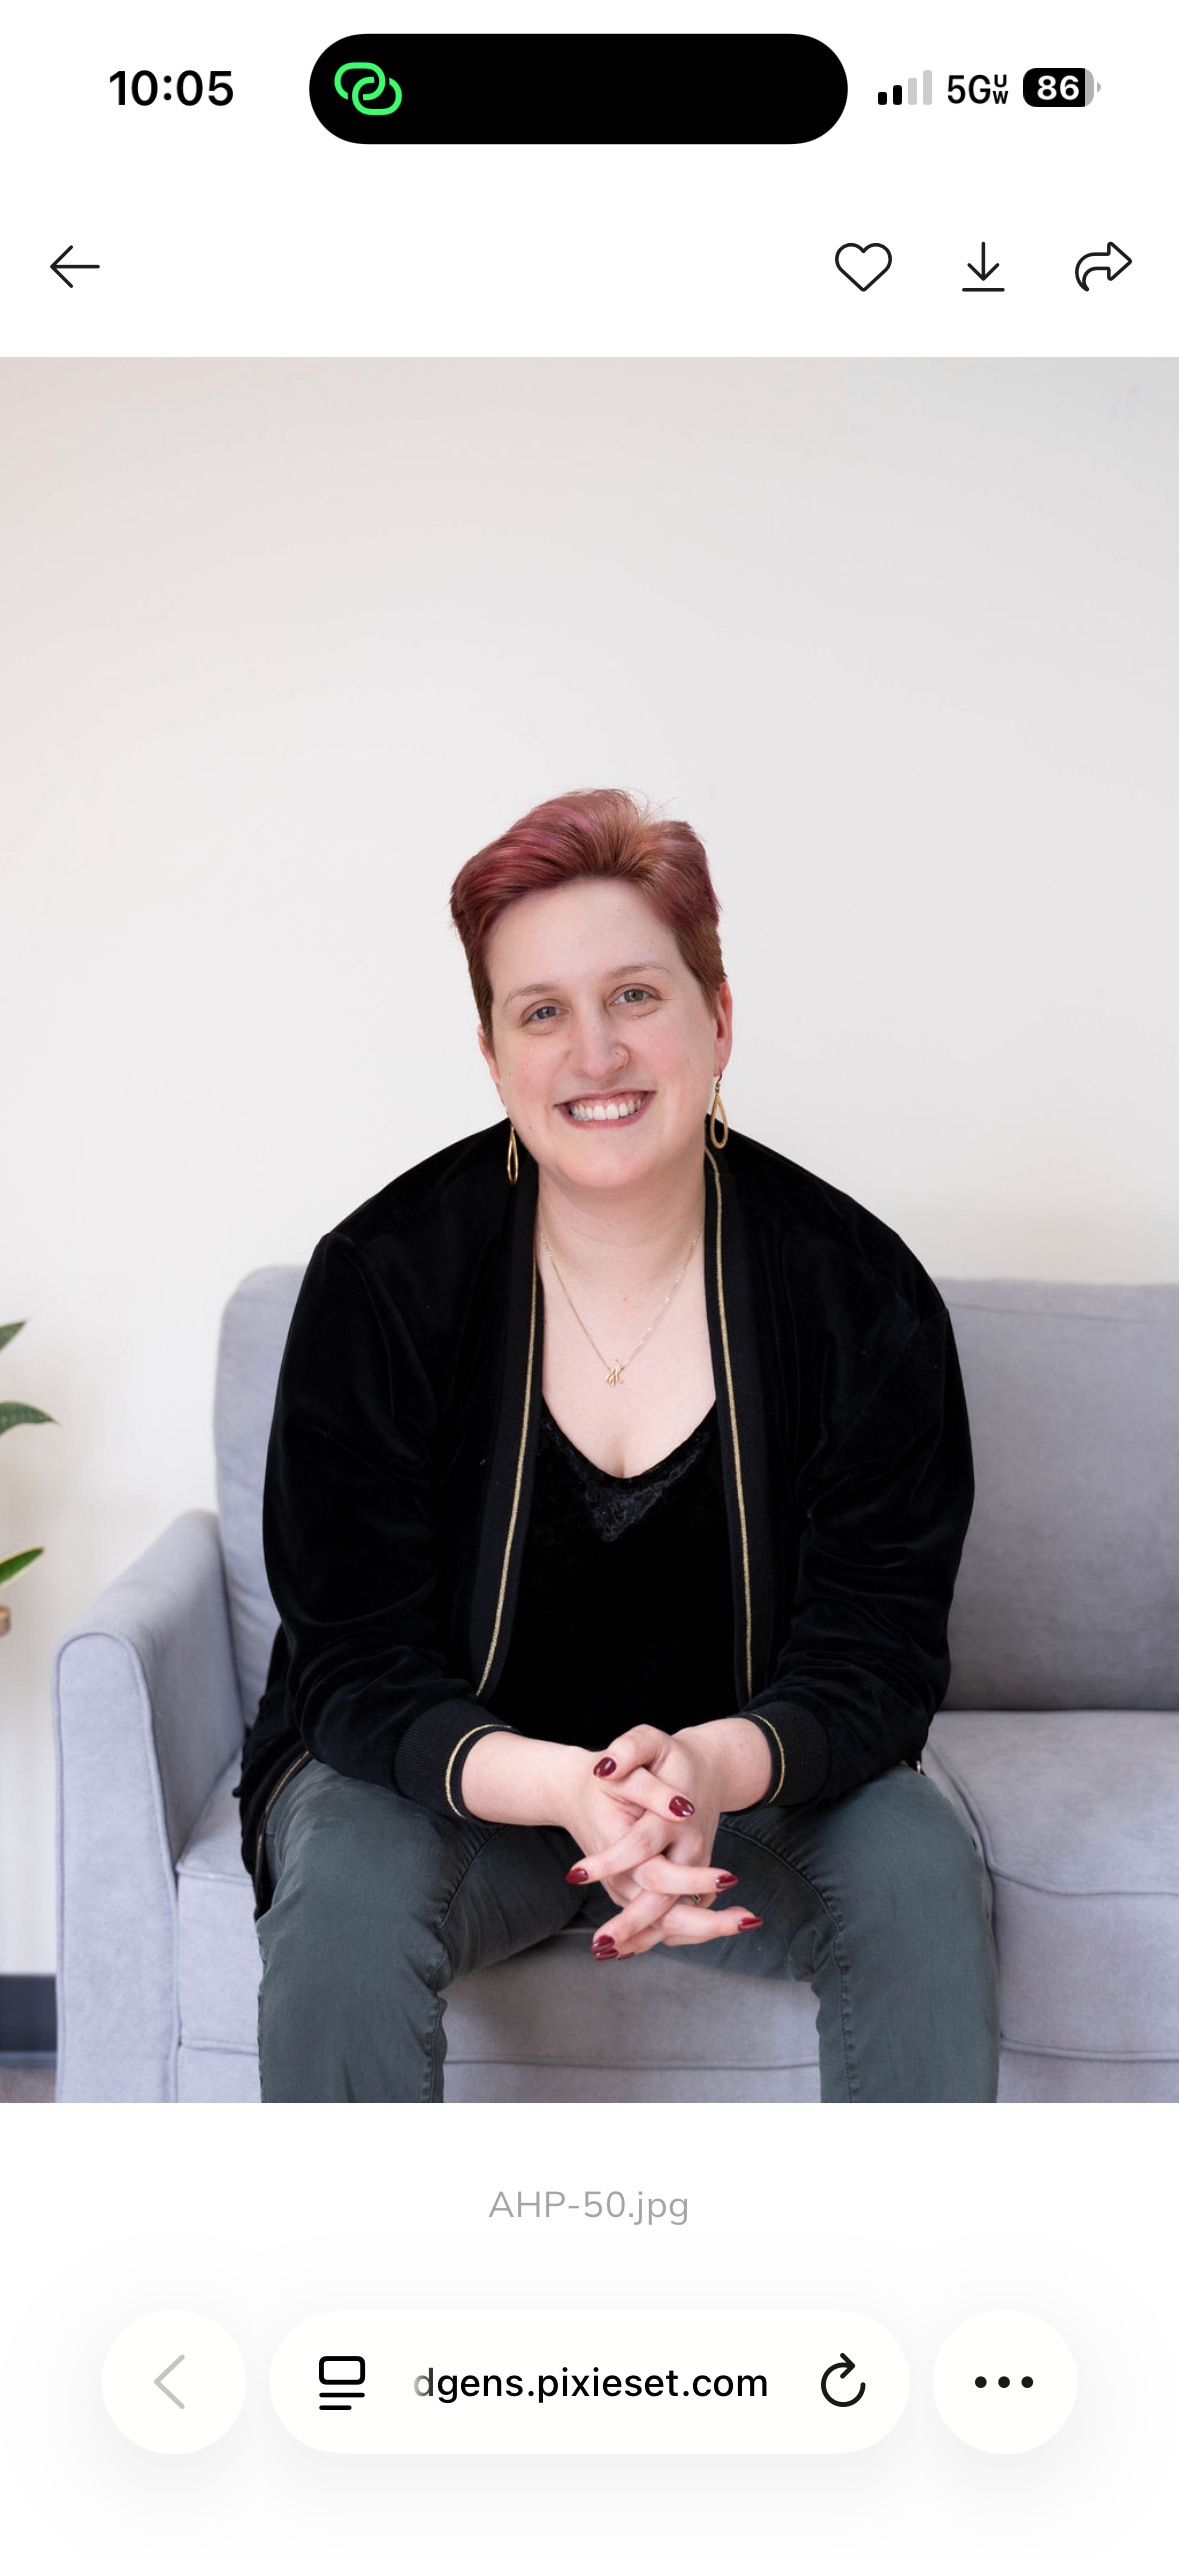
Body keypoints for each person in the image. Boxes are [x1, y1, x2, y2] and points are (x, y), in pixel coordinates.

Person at [236, 786, 999, 2103]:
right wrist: (564, 1788)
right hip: (443, 1792)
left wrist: (703, 1768)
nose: (594, 1052)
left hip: (743, 1801)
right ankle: (338, 2301)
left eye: (635, 995)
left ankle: (901, 2299)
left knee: (915, 1864)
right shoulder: (383, 1278)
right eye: (542, 1011)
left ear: (718, 1015)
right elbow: (350, 1660)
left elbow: (879, 1649)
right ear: (491, 1053)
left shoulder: (855, 1289)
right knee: (348, 1878)